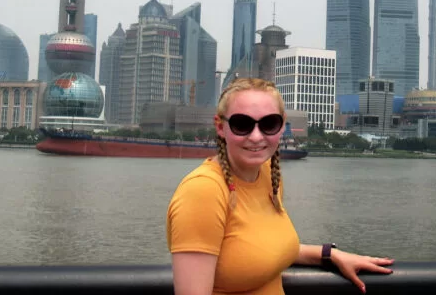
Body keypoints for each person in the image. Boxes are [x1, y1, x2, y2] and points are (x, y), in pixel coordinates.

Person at [167, 78, 394, 295]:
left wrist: (329, 254)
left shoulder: (268, 175)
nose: (256, 137)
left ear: (281, 125)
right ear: (220, 127)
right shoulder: (203, 192)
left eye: (269, 124)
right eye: (241, 124)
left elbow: (261, 249)